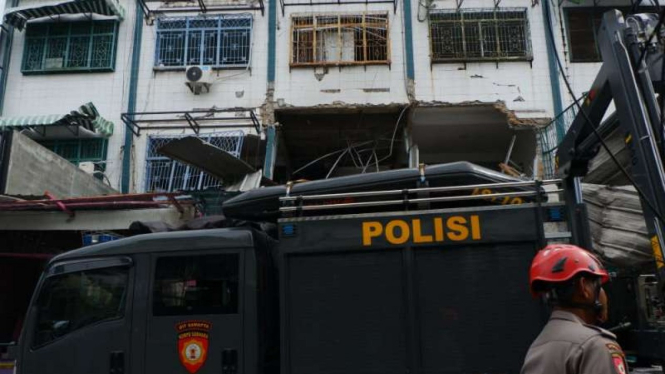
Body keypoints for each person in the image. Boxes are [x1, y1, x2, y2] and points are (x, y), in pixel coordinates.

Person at [521, 244, 628, 374]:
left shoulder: (538, 347)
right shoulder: (594, 346)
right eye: (600, 286)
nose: (604, 294)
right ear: (584, 287)